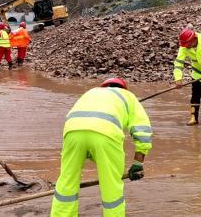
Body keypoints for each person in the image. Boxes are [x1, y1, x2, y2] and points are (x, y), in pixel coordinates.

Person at [50, 77, 152, 217]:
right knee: (111, 187)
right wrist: (138, 163)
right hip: (106, 135)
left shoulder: (91, 92)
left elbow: (75, 120)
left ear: (104, 86)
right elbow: (143, 131)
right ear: (124, 88)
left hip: (72, 133)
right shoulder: (129, 96)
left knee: (67, 181)